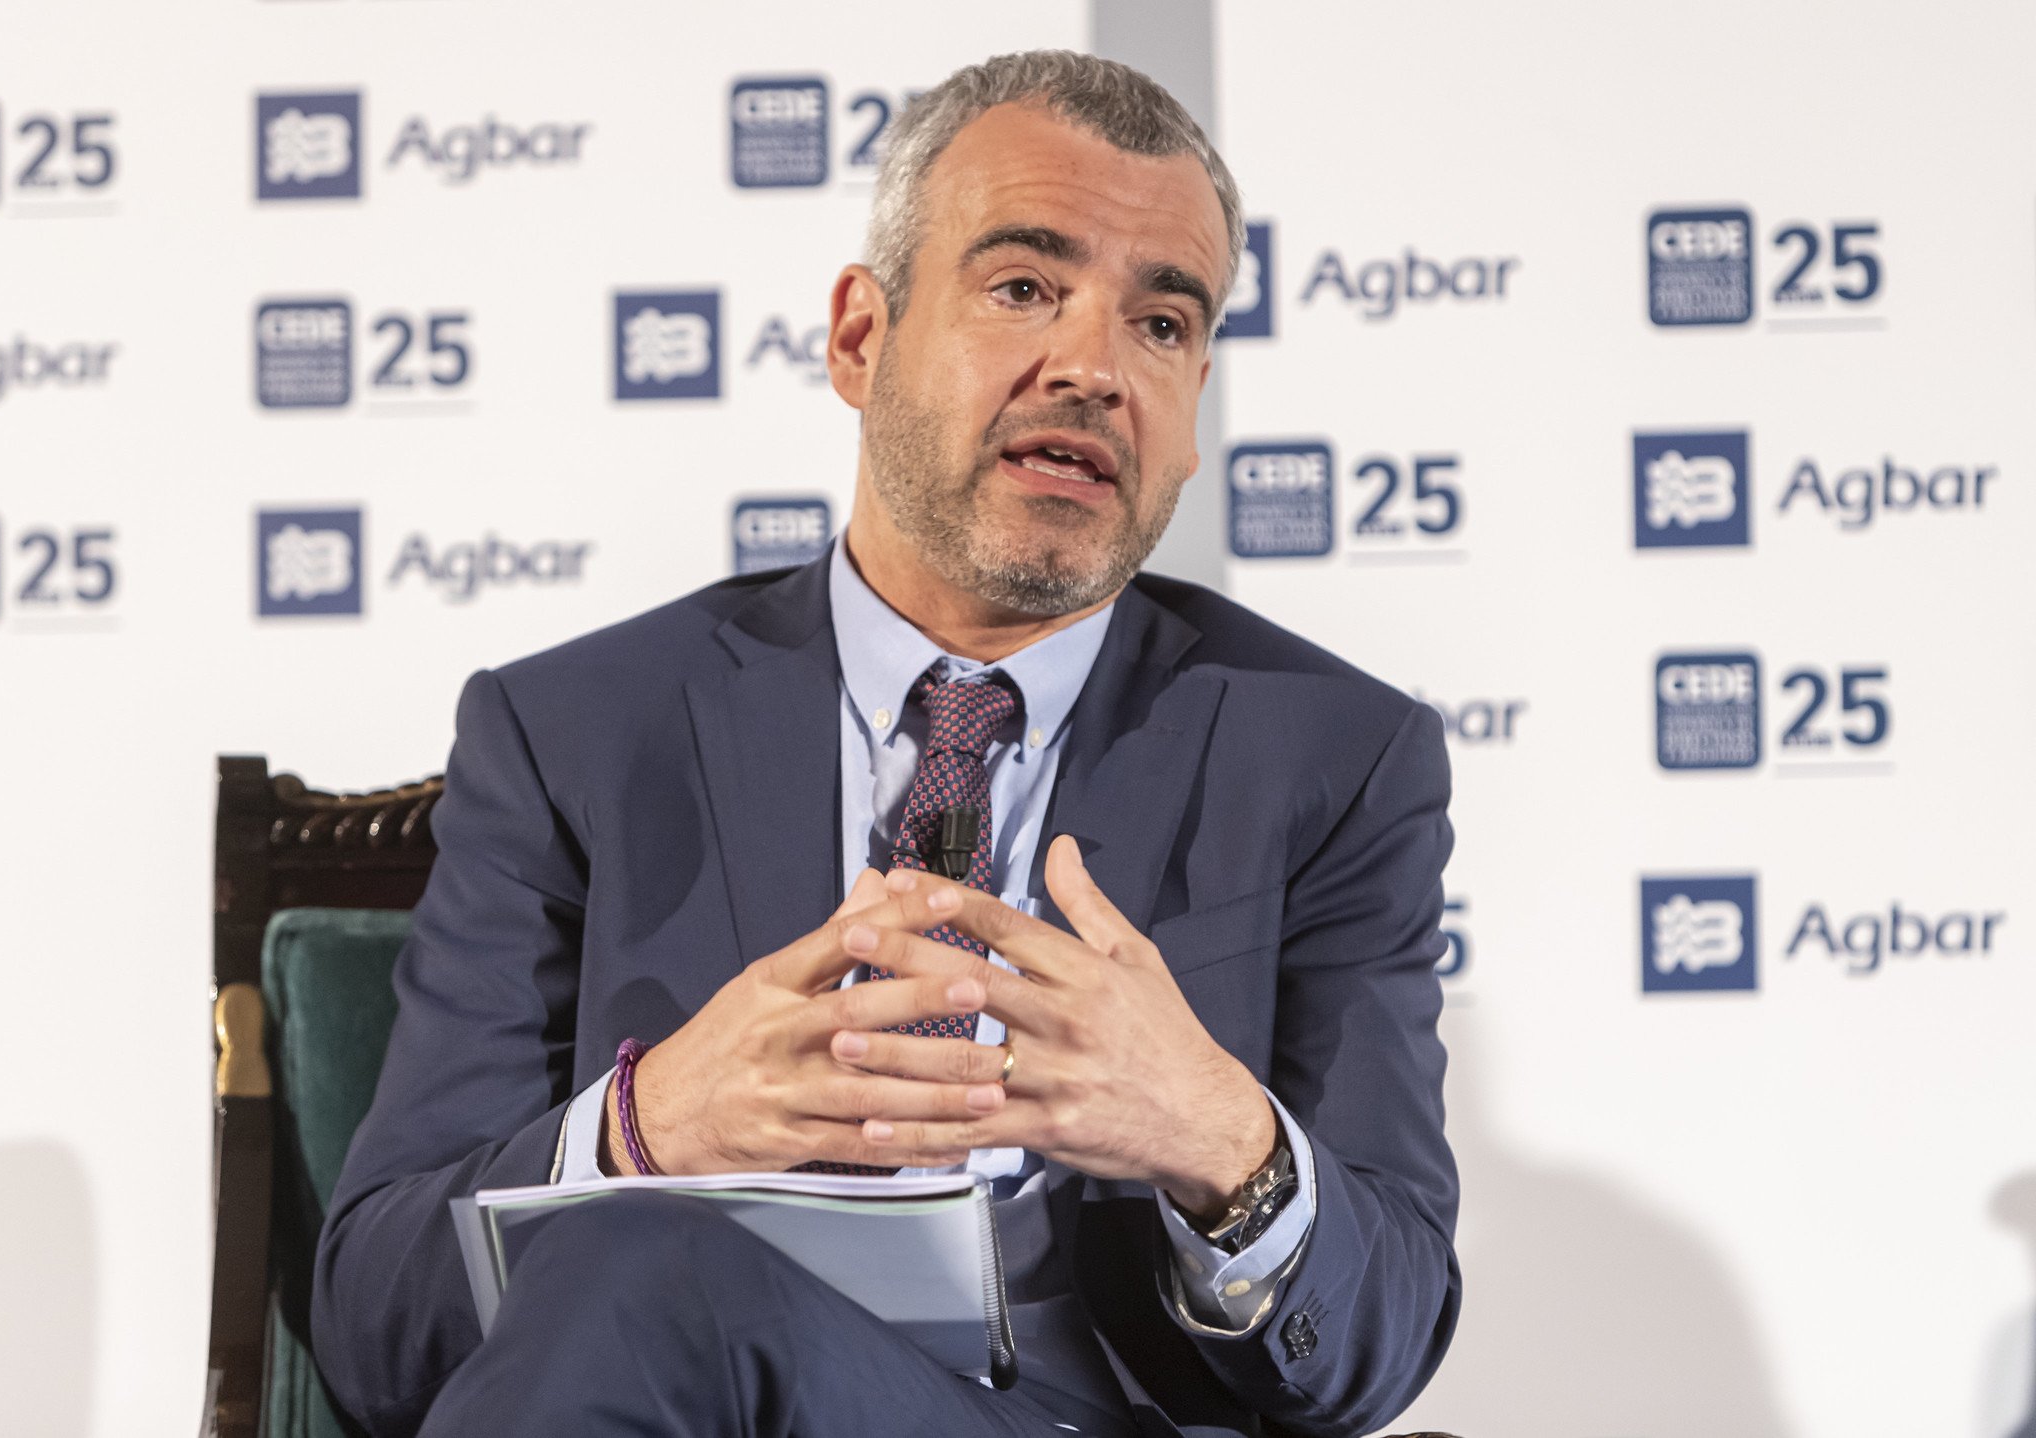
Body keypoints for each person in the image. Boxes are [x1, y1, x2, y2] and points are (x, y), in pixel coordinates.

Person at [314, 49, 1459, 1438]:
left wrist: (1220, 1136)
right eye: (1024, 287)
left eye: (1161, 323)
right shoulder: (577, 733)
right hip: (691, 1397)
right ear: (861, 339)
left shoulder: (1335, 758)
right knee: (636, 1257)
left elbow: (1380, 1345)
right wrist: (644, 1129)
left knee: (635, 1265)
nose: (1095, 368)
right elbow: (376, 1328)